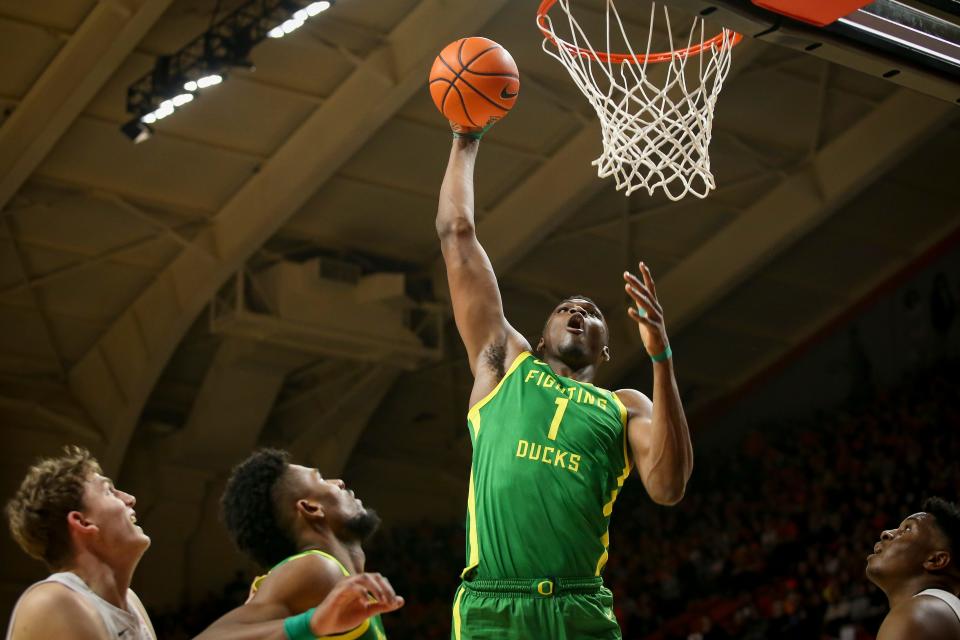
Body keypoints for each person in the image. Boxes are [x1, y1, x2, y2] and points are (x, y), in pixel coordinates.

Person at [435, 124, 693, 639]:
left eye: (590, 311)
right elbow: (456, 235)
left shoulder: (623, 405)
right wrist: (466, 137)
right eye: (565, 308)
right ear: (541, 333)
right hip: (495, 606)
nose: (577, 311)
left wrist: (662, 357)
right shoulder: (505, 364)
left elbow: (667, 487)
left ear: (605, 345)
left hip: (581, 609)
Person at [5, 446, 401, 640]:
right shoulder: (54, 602)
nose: (130, 499)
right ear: (82, 521)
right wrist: (306, 626)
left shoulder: (132, 612)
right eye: (110, 491)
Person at [206, 448, 401, 640]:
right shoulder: (318, 568)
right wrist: (311, 623)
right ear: (311, 508)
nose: (339, 482)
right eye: (322, 480)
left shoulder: (337, 582)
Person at [866, 497, 960, 639]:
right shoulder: (942, 613)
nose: (885, 533)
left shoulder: (916, 615)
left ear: (936, 560)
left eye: (907, 529)